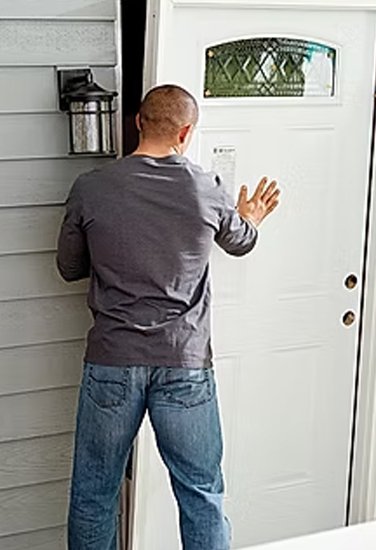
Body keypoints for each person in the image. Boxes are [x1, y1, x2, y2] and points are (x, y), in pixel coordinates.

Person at [56, 84, 280, 550]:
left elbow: (69, 267)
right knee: (201, 495)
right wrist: (250, 217)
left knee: (94, 494)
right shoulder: (206, 188)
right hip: (185, 365)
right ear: (185, 132)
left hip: (112, 362)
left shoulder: (91, 188)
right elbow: (240, 242)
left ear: (138, 122)